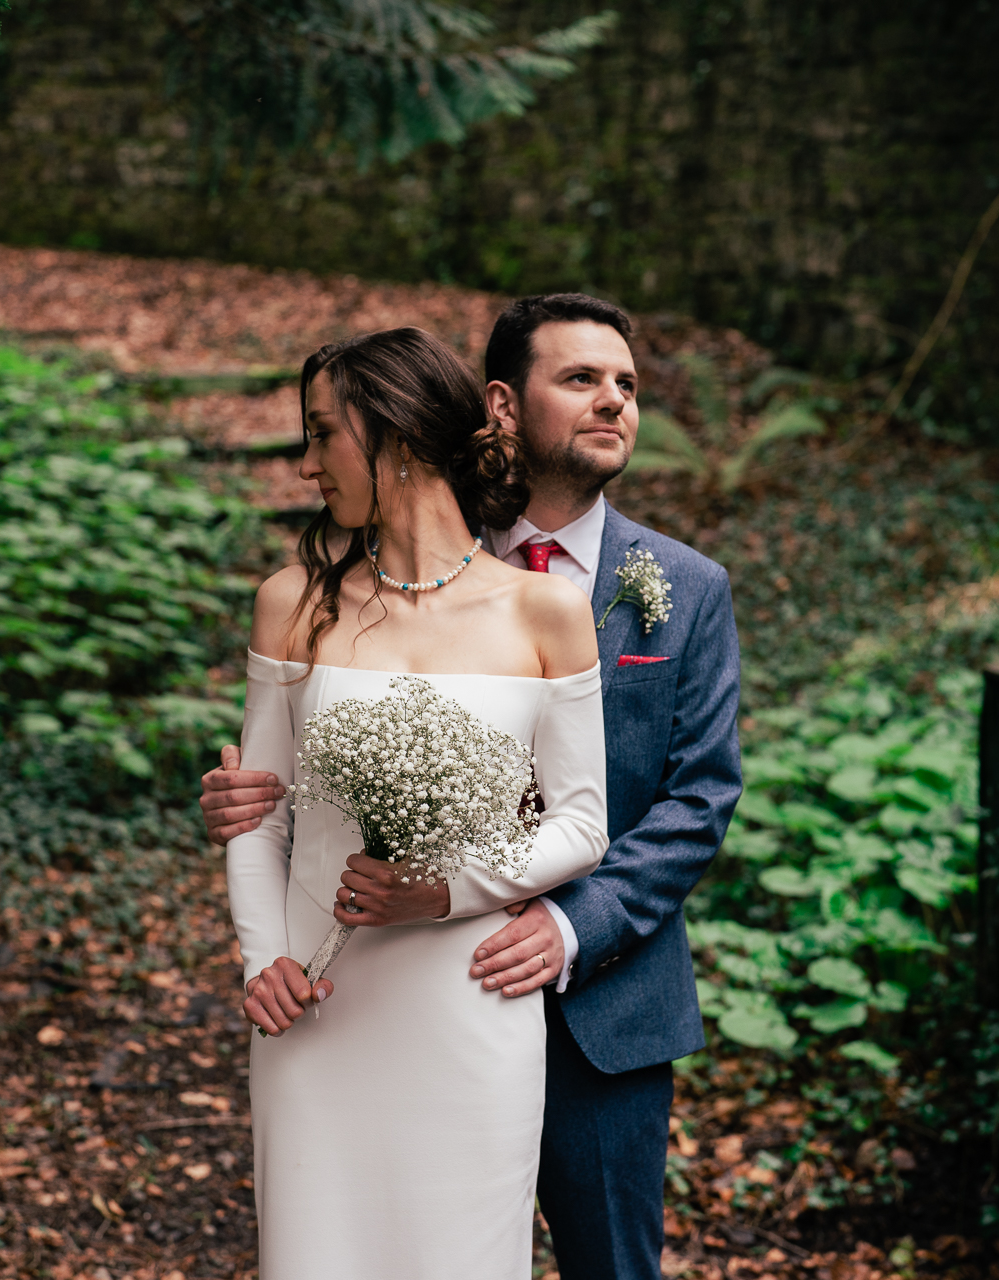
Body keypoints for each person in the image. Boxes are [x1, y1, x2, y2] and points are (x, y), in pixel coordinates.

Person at [206, 294, 744, 1280]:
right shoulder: (323, 586)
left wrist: (564, 920)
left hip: (591, 1000)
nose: (614, 400)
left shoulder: (676, 586)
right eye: (581, 378)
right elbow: (275, 785)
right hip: (345, 991)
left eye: (627, 383)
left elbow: (697, 797)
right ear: (497, 405)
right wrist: (252, 830)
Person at [225, 326, 611, 1279]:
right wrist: (262, 959)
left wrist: (446, 891)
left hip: (467, 1005)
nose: (308, 465)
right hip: (317, 1014)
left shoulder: (543, 612)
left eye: (323, 435)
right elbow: (259, 812)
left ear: (393, 430)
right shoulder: (294, 603)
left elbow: (582, 823)